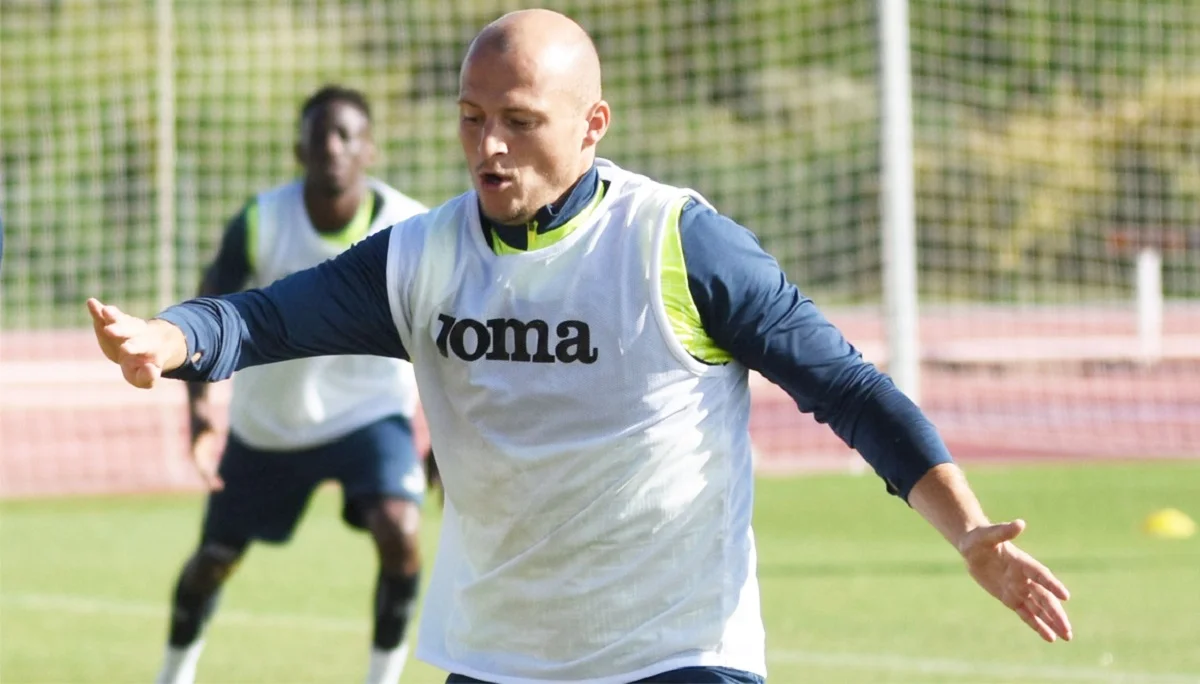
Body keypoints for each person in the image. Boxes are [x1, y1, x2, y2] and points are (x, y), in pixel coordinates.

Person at [90, 10, 1072, 684]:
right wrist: (170, 339)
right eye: (473, 119)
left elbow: (848, 389)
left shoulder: (680, 245)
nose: (489, 148)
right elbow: (264, 319)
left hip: (681, 653)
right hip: (497, 657)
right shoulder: (421, 255)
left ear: (594, 124)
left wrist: (965, 530)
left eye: (520, 122)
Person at [152, 85, 430, 684]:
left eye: (346, 135)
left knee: (401, 532)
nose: (332, 146)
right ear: (298, 150)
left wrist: (449, 438)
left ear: (370, 150)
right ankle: (173, 673)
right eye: (319, 135)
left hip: (369, 413)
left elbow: (443, 334)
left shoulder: (411, 227)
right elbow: (205, 311)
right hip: (270, 425)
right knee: (214, 560)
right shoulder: (260, 221)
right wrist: (200, 415)